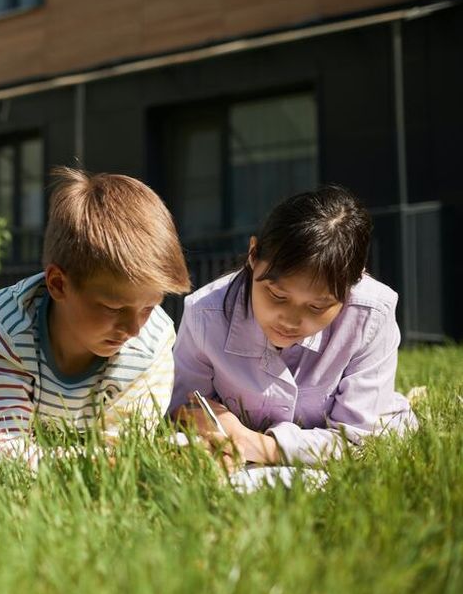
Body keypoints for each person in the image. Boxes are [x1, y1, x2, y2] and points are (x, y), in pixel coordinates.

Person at [169, 185, 417, 467]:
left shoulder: (371, 314)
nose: (289, 320)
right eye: (276, 296)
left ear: (355, 281)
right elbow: (185, 405)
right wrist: (224, 428)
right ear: (253, 255)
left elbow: (359, 440)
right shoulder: (205, 314)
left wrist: (260, 446)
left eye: (317, 306)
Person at [0, 167, 192, 469]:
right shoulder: (4, 327)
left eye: (149, 307)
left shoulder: (150, 345)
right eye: (113, 308)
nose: (133, 328)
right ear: (58, 284)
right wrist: (97, 460)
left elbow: (121, 456)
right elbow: (0, 451)